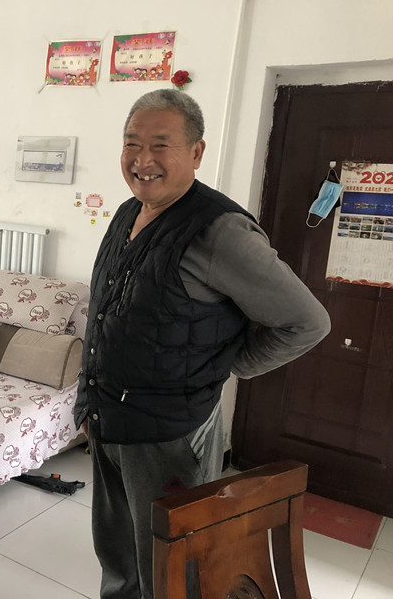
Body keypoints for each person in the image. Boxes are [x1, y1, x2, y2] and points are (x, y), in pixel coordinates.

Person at [74, 89, 331, 599]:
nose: (142, 159)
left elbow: (306, 322)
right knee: (118, 553)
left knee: (174, 568)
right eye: (132, 143)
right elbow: (106, 313)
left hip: (169, 433)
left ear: (196, 152)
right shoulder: (127, 212)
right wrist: (88, 399)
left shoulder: (220, 232)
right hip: (108, 419)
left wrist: (227, 364)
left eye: (160, 145)